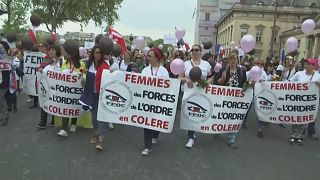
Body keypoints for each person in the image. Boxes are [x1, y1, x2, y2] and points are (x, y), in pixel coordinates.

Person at [178, 44, 212, 149]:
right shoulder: (186, 64)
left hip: (201, 93)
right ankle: (191, 137)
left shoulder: (206, 64)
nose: (194, 51)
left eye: (196, 50)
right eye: (192, 50)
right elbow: (179, 77)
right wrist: (186, 79)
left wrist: (207, 82)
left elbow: (211, 77)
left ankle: (194, 131)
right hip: (189, 92)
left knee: (198, 112)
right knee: (190, 112)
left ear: (200, 51)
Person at [80, 46, 110, 151]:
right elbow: (84, 79)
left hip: (101, 95)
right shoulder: (88, 64)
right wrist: (83, 81)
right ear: (93, 53)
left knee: (100, 117)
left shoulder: (105, 66)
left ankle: (100, 140)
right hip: (90, 94)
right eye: (96, 52)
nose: (98, 54)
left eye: (100, 53)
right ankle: (96, 134)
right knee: (93, 117)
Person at [214, 53, 247, 148]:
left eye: (235, 59)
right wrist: (223, 78)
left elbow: (244, 83)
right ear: (228, 60)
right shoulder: (223, 70)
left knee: (233, 117)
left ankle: (231, 139)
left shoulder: (241, 71)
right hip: (224, 98)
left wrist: (246, 86)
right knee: (222, 116)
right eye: (231, 59)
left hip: (236, 99)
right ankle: (217, 130)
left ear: (237, 60)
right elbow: (217, 83)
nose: (233, 61)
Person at [141, 48, 169, 156]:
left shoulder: (163, 71)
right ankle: (147, 147)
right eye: (148, 55)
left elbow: (167, 86)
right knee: (147, 122)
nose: (148, 57)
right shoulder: (145, 70)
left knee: (156, 122)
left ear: (156, 58)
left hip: (159, 101)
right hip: (147, 101)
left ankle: (156, 135)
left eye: (150, 56)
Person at [289, 58, 320, 145]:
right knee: (296, 117)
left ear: (313, 66)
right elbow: (289, 83)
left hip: (309, 102)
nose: (306, 65)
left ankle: (300, 135)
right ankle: (293, 134)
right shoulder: (299, 74)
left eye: (309, 64)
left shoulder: (318, 76)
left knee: (304, 119)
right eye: (306, 64)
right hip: (298, 99)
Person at [57, 44, 85, 137]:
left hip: (75, 92)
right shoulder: (64, 62)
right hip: (65, 91)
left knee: (74, 106)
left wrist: (81, 77)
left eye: (64, 51)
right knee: (65, 108)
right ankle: (64, 129)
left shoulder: (81, 64)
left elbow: (84, 75)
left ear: (70, 52)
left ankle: (73, 123)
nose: (63, 52)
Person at [36, 45, 62, 129]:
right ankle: (43, 121)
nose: (50, 52)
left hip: (56, 88)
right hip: (47, 87)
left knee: (54, 103)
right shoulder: (47, 61)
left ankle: (54, 120)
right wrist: (41, 70)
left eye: (53, 50)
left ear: (57, 52)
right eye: (49, 50)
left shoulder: (61, 62)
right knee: (44, 100)